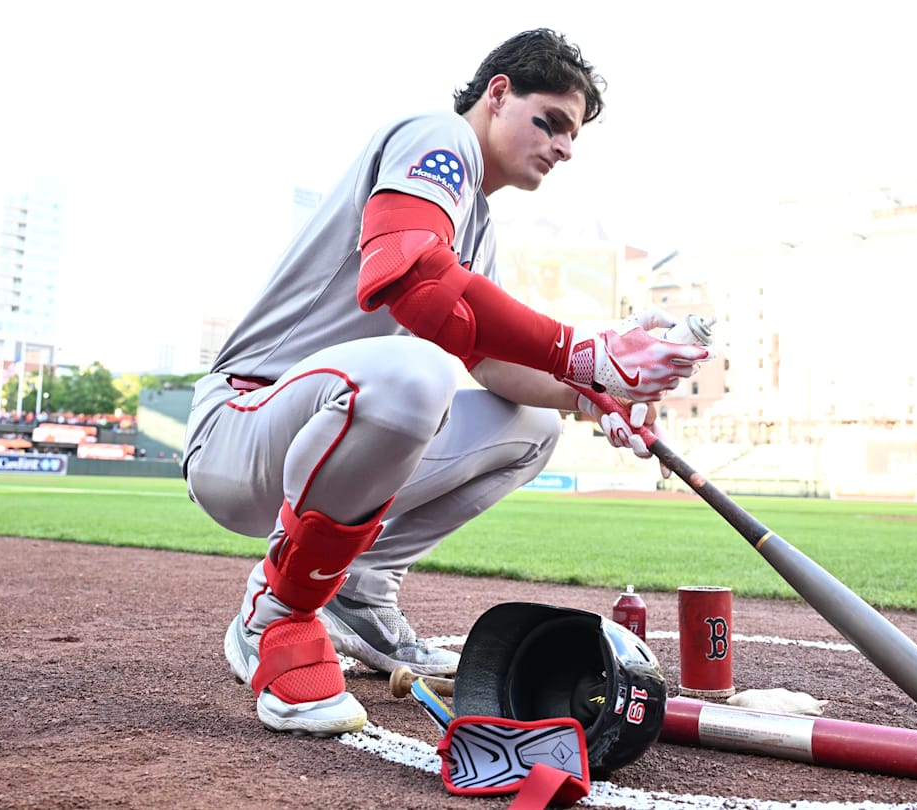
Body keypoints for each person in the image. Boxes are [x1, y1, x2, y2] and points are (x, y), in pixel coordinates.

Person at [182, 29, 708, 737]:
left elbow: (489, 363)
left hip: (329, 432)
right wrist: (583, 353)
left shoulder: (476, 225)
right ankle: (274, 614)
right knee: (417, 374)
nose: (564, 147)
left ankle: (360, 590)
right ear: (498, 94)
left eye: (573, 135)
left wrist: (591, 396)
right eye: (551, 121)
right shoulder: (437, 136)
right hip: (244, 425)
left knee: (532, 426)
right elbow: (410, 279)